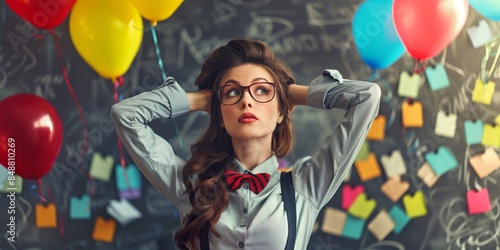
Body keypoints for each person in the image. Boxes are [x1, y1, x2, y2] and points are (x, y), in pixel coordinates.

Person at [110, 39, 381, 250]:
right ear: (220, 114)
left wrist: (292, 94)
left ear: (281, 112)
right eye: (232, 92)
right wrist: (202, 100)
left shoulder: (305, 187)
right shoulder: (191, 188)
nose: (246, 101)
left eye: (262, 90)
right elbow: (125, 116)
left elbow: (368, 97)